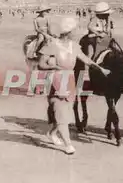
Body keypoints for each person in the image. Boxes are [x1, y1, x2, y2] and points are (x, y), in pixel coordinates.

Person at [37, 17, 111, 155]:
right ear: (68, 32)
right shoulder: (51, 45)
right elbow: (41, 64)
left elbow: (86, 60)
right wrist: (55, 66)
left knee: (66, 112)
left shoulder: (74, 46)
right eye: (74, 30)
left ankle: (52, 133)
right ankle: (68, 145)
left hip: (70, 79)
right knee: (60, 111)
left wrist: (101, 69)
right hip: (55, 79)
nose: (76, 32)